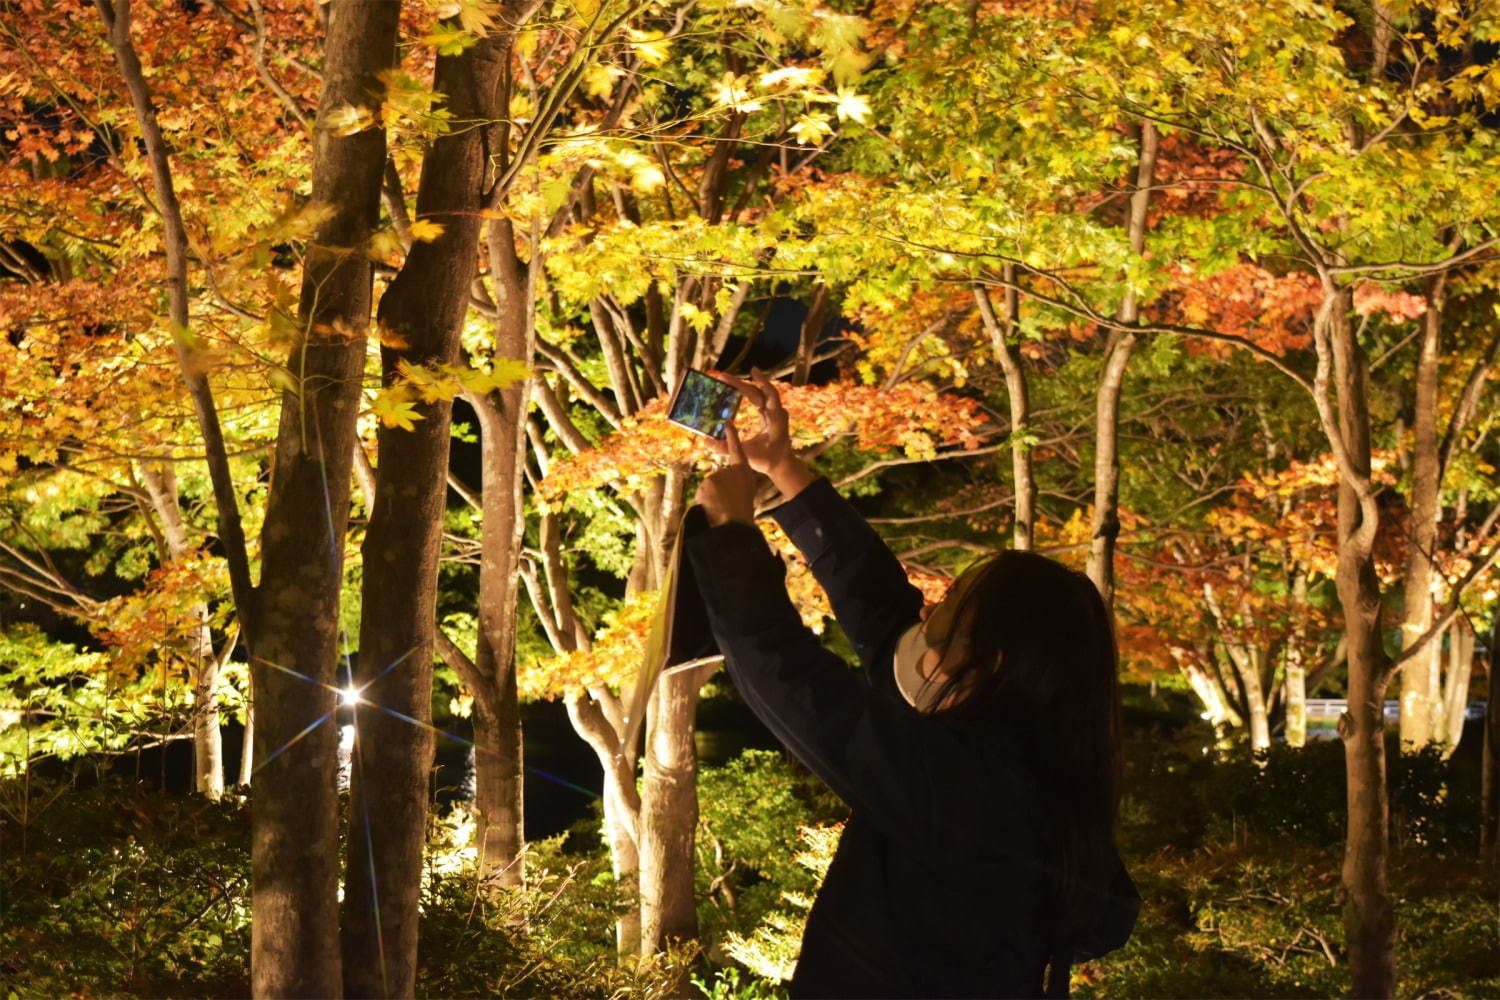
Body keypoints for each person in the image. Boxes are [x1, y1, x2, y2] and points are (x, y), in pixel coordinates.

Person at [686, 368, 1139, 999]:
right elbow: (881, 611)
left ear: (991, 660)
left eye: (949, 606)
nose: (927, 611)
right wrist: (783, 470)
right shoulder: (1019, 762)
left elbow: (786, 674)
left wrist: (729, 528)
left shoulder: (963, 786)